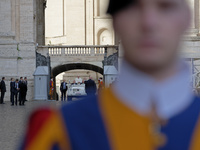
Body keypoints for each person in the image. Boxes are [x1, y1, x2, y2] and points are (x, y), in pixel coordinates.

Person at [20, 0, 200, 149]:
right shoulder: (58, 131)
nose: (149, 22)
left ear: (187, 18)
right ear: (114, 20)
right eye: (133, 6)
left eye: (165, 6)